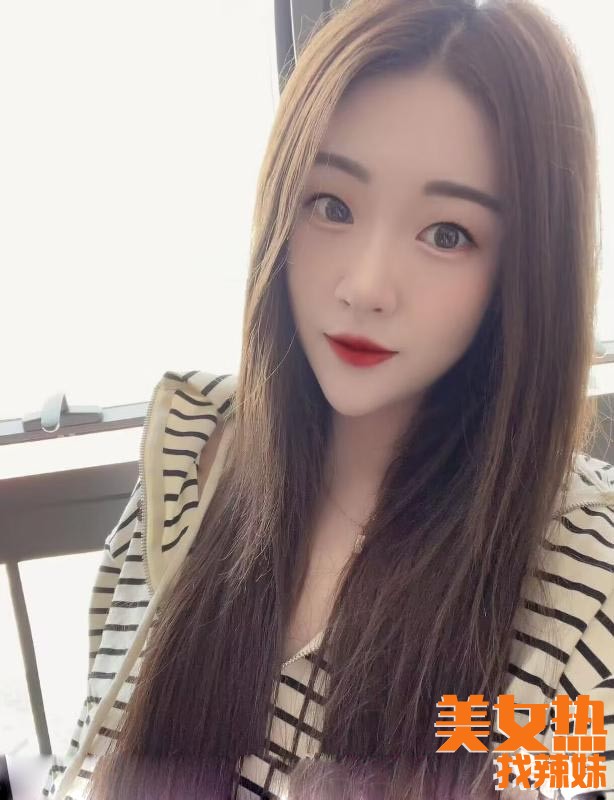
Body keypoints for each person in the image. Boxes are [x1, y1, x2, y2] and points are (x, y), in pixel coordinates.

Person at [42, 0, 614, 798]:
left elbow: (562, 766)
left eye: (447, 233)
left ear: (524, 269)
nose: (366, 285)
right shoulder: (186, 471)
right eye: (332, 205)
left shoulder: (582, 582)